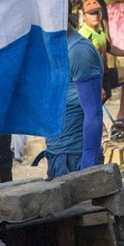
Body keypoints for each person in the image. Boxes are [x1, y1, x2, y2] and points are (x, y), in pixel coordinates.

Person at [38, 18, 104, 177]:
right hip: (57, 156)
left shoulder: (79, 51)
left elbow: (93, 112)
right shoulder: (53, 48)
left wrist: (88, 165)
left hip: (75, 158)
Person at [76, 0, 124, 140]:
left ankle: (122, 113)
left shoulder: (99, 32)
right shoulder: (83, 35)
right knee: (89, 114)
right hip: (94, 79)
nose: (96, 16)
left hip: (105, 73)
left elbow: (110, 49)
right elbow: (84, 64)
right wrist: (98, 85)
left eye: (97, 12)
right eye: (91, 13)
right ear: (84, 16)